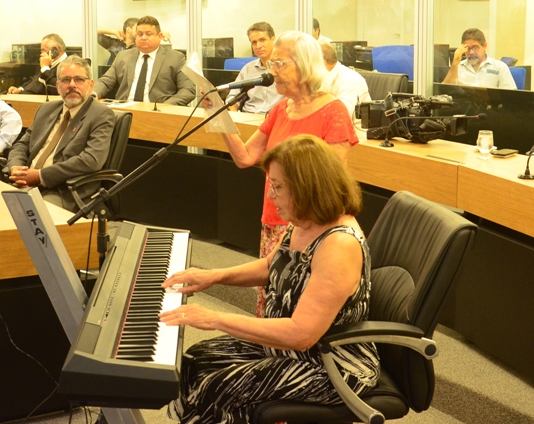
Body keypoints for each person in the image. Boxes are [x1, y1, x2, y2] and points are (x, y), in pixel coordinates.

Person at [161, 135, 378, 424]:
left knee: (218, 387)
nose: (271, 195)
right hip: (289, 349)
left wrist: (214, 318)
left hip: (330, 364)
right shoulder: (305, 221)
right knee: (194, 360)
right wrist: (213, 276)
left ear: (305, 187)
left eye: (277, 186)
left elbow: (301, 335)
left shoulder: (339, 244)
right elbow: (270, 266)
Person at [216, 30, 358, 314]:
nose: (273, 71)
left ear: (305, 65)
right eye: (272, 64)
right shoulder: (281, 109)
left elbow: (330, 187)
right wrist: (219, 114)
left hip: (307, 231)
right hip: (272, 221)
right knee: (269, 305)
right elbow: (245, 158)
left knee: (294, 312)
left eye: (280, 63)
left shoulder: (334, 112)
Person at [7, 56, 116, 211]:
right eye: (65, 80)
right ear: (58, 85)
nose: (72, 85)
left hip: (63, 190)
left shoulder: (101, 114)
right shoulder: (46, 109)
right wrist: (16, 169)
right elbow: (22, 145)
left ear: (91, 85)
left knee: (33, 213)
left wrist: (40, 176)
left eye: (79, 79)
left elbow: (91, 160)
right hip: (25, 182)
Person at [92, 15, 195, 105]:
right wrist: (94, 93)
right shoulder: (122, 56)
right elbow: (106, 81)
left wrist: (164, 107)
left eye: (149, 34)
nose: (143, 38)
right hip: (125, 111)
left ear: (159, 36)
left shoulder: (176, 58)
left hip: (158, 112)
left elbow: (188, 90)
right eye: (140, 34)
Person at [226, 21, 282, 114]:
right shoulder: (248, 69)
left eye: (262, 40)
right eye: (254, 42)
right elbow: (232, 97)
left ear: (273, 40)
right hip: (248, 115)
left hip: (273, 117)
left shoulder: (284, 67)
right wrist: (234, 115)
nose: (258, 46)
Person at [442, 28, 517, 89]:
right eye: (467, 48)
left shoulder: (499, 67)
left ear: (484, 46)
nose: (471, 52)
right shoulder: (457, 68)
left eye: (475, 47)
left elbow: (510, 96)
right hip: (463, 103)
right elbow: (445, 93)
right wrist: (455, 63)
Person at [321, 42, 370, 116]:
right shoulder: (321, 78)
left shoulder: (352, 80)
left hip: (349, 123)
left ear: (322, 62)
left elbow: (340, 115)